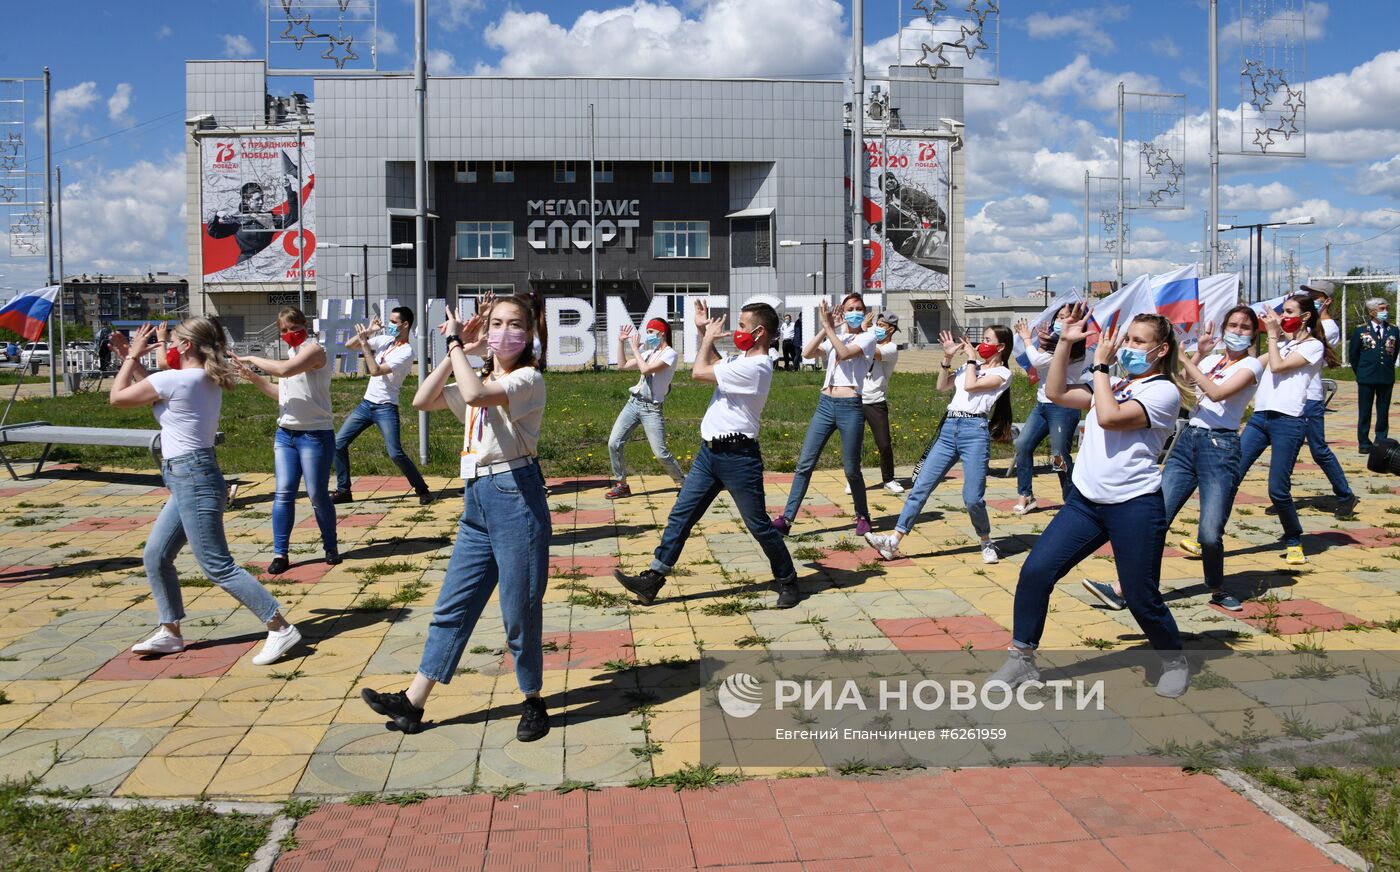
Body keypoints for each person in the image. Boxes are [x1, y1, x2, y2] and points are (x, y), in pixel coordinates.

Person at [360, 297, 551, 740]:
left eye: (514, 324)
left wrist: (453, 346)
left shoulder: (528, 379)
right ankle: (413, 703)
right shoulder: (476, 371)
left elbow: (474, 396)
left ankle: (533, 700)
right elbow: (423, 400)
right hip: (477, 499)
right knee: (452, 606)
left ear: (529, 333)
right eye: (496, 322)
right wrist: (460, 351)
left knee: (518, 611)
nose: (504, 332)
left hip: (516, 495)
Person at [987, 308, 1189, 698]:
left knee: (1140, 594)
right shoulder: (1115, 383)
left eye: (1137, 341)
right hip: (1086, 502)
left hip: (1134, 505)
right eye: (1127, 338)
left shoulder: (1162, 390)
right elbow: (1058, 392)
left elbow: (1111, 417)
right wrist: (1065, 341)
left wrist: (1099, 367)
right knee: (1036, 572)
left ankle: (1174, 660)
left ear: (1161, 350)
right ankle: (1021, 657)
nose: (1127, 345)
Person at [109, 318, 301, 665]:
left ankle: (279, 626)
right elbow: (155, 397)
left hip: (192, 477)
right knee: (155, 556)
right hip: (191, 476)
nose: (168, 343)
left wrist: (128, 358)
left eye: (175, 339)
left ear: (185, 346)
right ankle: (170, 633)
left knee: (217, 565)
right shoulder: (200, 378)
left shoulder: (177, 379)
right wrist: (134, 361)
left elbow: (118, 399)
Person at [612, 300, 799, 609]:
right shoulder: (742, 359)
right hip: (708, 455)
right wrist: (701, 330)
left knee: (758, 525)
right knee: (681, 515)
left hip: (739, 457)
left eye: (741, 325)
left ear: (760, 331)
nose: (737, 330)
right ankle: (653, 579)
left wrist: (708, 338)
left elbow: (699, 372)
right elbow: (713, 364)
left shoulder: (758, 366)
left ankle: (788, 580)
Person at [1084, 307, 1264, 614]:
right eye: (1232, 324)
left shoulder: (1253, 365)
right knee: (1157, 519)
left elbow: (1217, 393)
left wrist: (1183, 358)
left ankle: (1217, 588)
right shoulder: (1211, 359)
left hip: (1220, 446)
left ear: (1253, 333)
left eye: (1244, 326)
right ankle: (1128, 588)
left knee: (1209, 531)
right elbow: (1184, 387)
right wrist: (1196, 357)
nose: (1237, 330)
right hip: (1189, 440)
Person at [865, 326, 1013, 564]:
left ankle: (986, 542)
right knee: (920, 488)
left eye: (987, 340)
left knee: (973, 498)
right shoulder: (969, 366)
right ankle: (893, 540)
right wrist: (946, 358)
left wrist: (973, 359)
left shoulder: (1004, 373)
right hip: (949, 428)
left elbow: (971, 387)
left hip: (974, 432)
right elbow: (942, 386)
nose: (980, 344)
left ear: (1001, 347)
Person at [232, 307, 339, 574]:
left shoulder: (315, 350)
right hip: (286, 434)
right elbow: (283, 394)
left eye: (293, 328)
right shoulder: (292, 353)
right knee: (283, 494)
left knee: (316, 494)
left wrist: (253, 358)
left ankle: (330, 546)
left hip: (315, 433)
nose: (289, 334)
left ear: (305, 325)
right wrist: (254, 378)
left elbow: (284, 371)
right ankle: (281, 553)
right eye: (283, 330)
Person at [1238, 293, 1337, 566]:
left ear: (1305, 317)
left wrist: (1272, 336)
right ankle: (1208, 537)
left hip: (1289, 421)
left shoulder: (1313, 346)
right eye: (1282, 312)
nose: (1283, 317)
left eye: (1289, 312)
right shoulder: (1279, 343)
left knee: (1277, 489)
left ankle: (1293, 539)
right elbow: (1253, 366)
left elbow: (1279, 367)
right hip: (1260, 419)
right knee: (1231, 476)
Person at [773, 294, 879, 537]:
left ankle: (862, 514)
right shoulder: (837, 335)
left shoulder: (868, 337)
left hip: (850, 406)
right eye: (850, 308)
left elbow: (844, 353)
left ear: (864, 312)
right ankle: (787, 519)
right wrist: (826, 328)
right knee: (804, 465)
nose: (854, 312)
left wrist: (831, 329)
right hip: (825, 405)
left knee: (851, 468)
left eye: (859, 308)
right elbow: (808, 353)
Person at [331, 306, 434, 506]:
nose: (389, 325)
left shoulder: (406, 352)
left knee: (395, 453)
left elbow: (375, 370)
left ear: (405, 325)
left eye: (394, 322)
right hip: (366, 404)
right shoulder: (386, 341)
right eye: (389, 321)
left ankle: (422, 490)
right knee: (338, 443)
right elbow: (349, 345)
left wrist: (364, 345)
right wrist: (368, 333)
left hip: (386, 407)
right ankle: (344, 491)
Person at [1011, 307, 1087, 513]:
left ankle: (1073, 501)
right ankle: (1025, 495)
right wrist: (1043, 344)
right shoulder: (1054, 344)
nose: (1061, 321)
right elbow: (1040, 364)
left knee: (1059, 457)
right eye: (1059, 317)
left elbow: (1037, 361)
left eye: (1066, 318)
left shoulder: (1073, 348)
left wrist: (1028, 339)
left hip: (1063, 408)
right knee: (1023, 445)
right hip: (1042, 405)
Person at [1292, 282, 1357, 517]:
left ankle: (1345, 494)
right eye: (1308, 295)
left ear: (1327, 301)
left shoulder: (1327, 327)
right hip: (1292, 396)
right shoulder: (1303, 324)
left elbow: (1303, 344)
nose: (1311, 299)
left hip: (1310, 396)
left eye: (1315, 296)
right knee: (1288, 446)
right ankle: (1281, 494)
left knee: (1318, 449)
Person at [604, 318, 687, 499]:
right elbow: (622, 365)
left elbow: (647, 370)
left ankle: (683, 483)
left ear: (662, 333)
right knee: (614, 443)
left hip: (651, 408)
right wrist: (621, 342)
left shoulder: (670, 354)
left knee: (660, 453)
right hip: (633, 403)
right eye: (647, 331)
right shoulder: (650, 352)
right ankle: (621, 484)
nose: (648, 335)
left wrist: (635, 349)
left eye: (651, 332)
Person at [857, 312, 905, 494]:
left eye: (882, 325)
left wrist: (864, 331)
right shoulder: (869, 340)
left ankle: (889, 479)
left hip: (875, 400)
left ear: (891, 329)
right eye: (876, 323)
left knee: (883, 443)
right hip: (856, 397)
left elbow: (874, 353)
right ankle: (852, 478)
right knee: (854, 442)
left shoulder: (891, 348)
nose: (877, 327)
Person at [206, 178, 301, 265]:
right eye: (257, 199)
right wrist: (217, 214)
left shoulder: (268, 218)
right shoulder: (236, 220)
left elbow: (293, 217)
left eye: (262, 198)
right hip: (245, 265)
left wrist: (289, 191)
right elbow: (214, 232)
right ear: (247, 201)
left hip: (267, 265)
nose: (261, 202)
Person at [1350, 296, 1397, 455]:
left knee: (1383, 410)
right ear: (1371, 312)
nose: (1385, 312)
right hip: (1366, 377)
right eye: (1381, 309)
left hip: (1386, 376)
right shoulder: (1361, 330)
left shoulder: (1394, 330)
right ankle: (1364, 442)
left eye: (1386, 308)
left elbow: (1394, 352)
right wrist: (1361, 372)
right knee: (1365, 411)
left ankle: (1381, 440)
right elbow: (1354, 356)